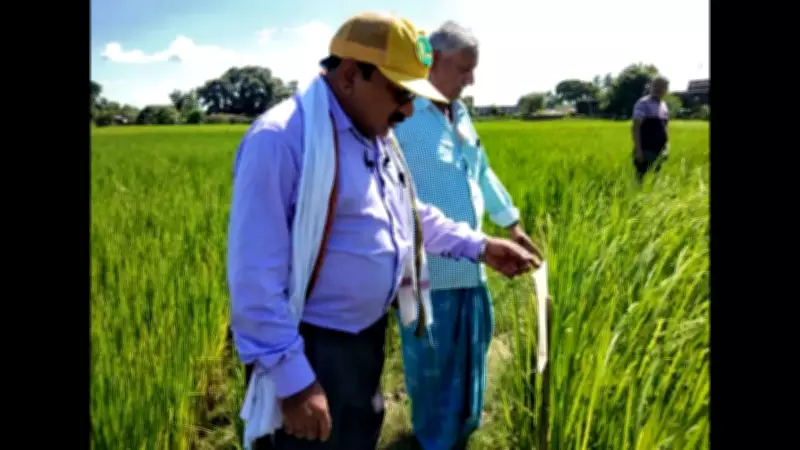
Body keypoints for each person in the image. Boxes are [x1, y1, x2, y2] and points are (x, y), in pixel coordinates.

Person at [227, 12, 541, 450]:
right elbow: (253, 277)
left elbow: (407, 214)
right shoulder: (282, 140)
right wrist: (294, 382)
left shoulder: (375, 135)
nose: (408, 110)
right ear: (350, 76)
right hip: (311, 349)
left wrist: (481, 246)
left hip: (365, 342)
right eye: (400, 92)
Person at [392, 21, 543, 450]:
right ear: (433, 61)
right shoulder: (401, 115)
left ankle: (462, 433)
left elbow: (481, 170)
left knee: (473, 353)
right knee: (432, 366)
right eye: (463, 69)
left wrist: (511, 223)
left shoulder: (458, 114)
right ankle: (432, 440)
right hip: (426, 273)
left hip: (472, 264)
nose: (471, 79)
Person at [632, 76, 670, 182]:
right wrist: (638, 150)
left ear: (666, 89)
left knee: (655, 180)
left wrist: (667, 146)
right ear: (651, 87)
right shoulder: (643, 103)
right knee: (640, 181)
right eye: (655, 85)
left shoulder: (664, 105)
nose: (658, 88)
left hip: (659, 151)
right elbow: (636, 127)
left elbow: (665, 126)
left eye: (662, 86)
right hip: (645, 150)